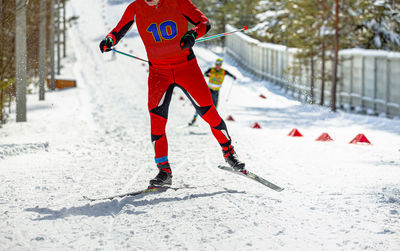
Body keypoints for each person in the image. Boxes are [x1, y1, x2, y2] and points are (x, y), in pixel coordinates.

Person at [100, 0, 245, 188]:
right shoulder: (135, 7)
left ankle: (229, 154)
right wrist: (110, 40)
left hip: (187, 68)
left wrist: (193, 34)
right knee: (157, 121)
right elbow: (118, 30)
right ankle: (164, 171)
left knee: (209, 113)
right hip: (159, 73)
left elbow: (204, 23)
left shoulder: (178, 2)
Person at [188, 58, 236, 126]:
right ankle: (194, 119)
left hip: (216, 92)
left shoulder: (223, 71)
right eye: (216, 64)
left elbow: (231, 75)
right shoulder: (211, 70)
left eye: (219, 65)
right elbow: (204, 74)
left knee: (214, 108)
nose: (217, 66)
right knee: (201, 104)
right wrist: (208, 75)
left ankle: (214, 123)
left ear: (221, 65)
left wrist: (234, 77)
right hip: (209, 90)